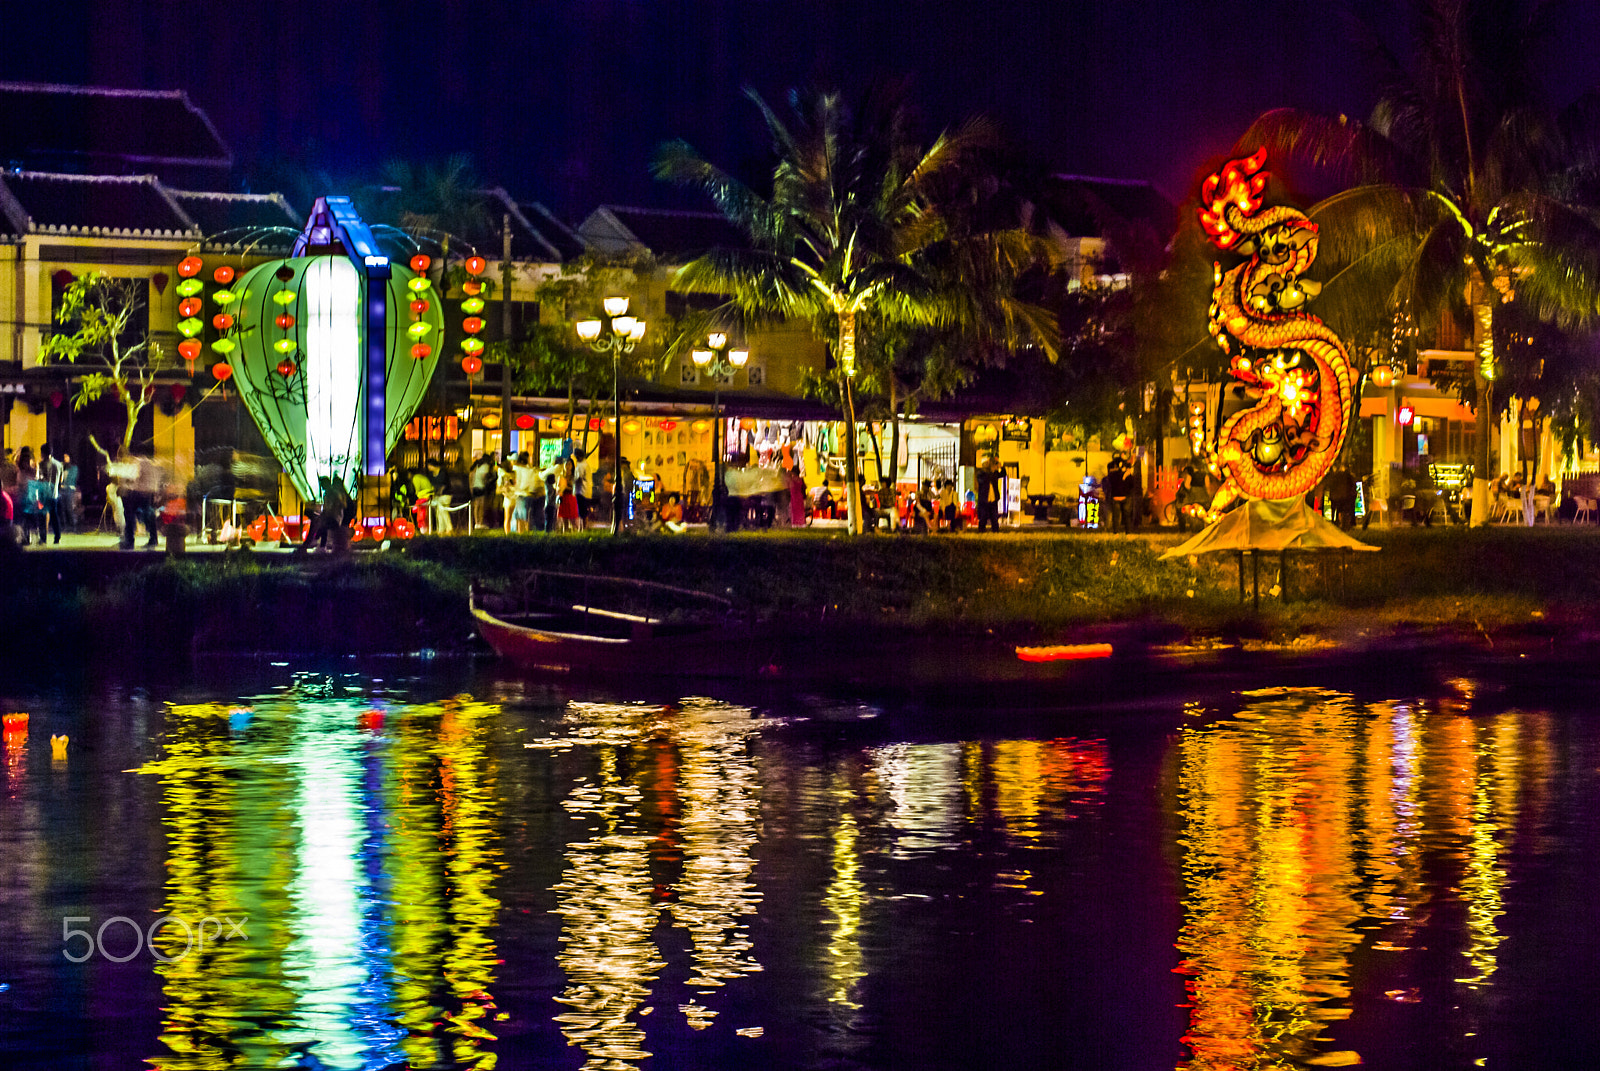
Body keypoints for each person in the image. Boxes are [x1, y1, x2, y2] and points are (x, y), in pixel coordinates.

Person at [36, 444, 62, 544]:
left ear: (44, 453)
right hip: (53, 494)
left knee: (44, 517)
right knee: (54, 516)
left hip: (46, 494)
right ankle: (57, 537)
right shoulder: (58, 464)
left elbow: (41, 479)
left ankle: (43, 538)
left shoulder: (43, 464)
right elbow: (60, 480)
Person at [513, 451, 540, 532]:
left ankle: (521, 534)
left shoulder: (517, 469)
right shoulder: (529, 470)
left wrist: (517, 488)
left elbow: (522, 483)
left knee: (521, 517)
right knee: (527, 517)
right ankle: (526, 534)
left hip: (521, 495)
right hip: (529, 495)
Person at [469, 452, 495, 530]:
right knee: (481, 506)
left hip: (475, 487)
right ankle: (480, 522)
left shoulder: (477, 466)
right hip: (481, 487)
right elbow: (484, 476)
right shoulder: (486, 466)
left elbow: (471, 476)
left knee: (476, 506)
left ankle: (476, 522)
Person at [975, 457, 1001, 533]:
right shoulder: (980, 474)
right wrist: (991, 471)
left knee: (994, 517)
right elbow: (983, 480)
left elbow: (1002, 474)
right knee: (983, 517)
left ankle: (995, 531)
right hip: (984, 499)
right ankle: (981, 530)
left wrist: (999, 467)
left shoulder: (993, 473)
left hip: (993, 498)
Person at [58, 452, 79, 534]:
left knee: (69, 508)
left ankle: (73, 525)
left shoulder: (74, 468)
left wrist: (66, 485)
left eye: (66, 456)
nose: (65, 458)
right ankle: (65, 526)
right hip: (63, 490)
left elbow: (72, 478)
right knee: (62, 509)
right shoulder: (63, 467)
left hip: (70, 489)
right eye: (64, 456)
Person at [497, 456, 518, 534]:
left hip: (513, 496)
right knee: (508, 517)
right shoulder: (503, 475)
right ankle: (507, 533)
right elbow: (498, 488)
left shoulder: (513, 473)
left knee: (512, 517)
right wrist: (504, 490)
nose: (511, 465)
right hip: (508, 497)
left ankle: (510, 532)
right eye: (510, 464)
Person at [572, 448, 591, 526]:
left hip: (581, 491)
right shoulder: (586, 464)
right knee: (584, 510)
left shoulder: (581, 466)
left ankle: (583, 527)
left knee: (582, 510)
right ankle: (583, 527)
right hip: (586, 490)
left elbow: (578, 478)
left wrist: (572, 480)